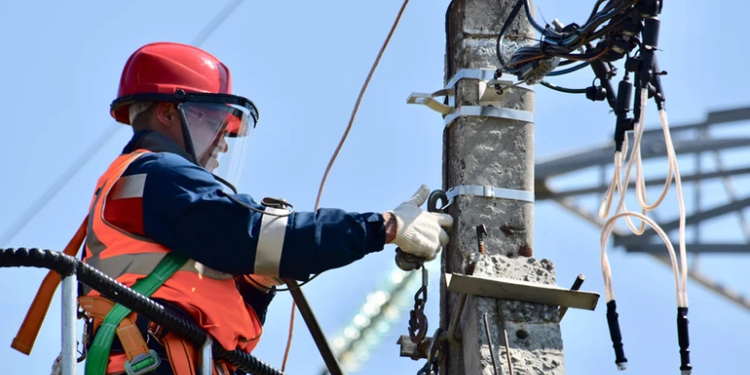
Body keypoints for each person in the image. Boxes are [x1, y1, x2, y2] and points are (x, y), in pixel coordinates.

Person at [76, 41, 453, 375]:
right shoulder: (157, 173)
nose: (223, 142)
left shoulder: (152, 192)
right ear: (168, 113)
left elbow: (228, 315)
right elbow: (254, 235)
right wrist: (384, 226)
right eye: (213, 121)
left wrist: (257, 284)